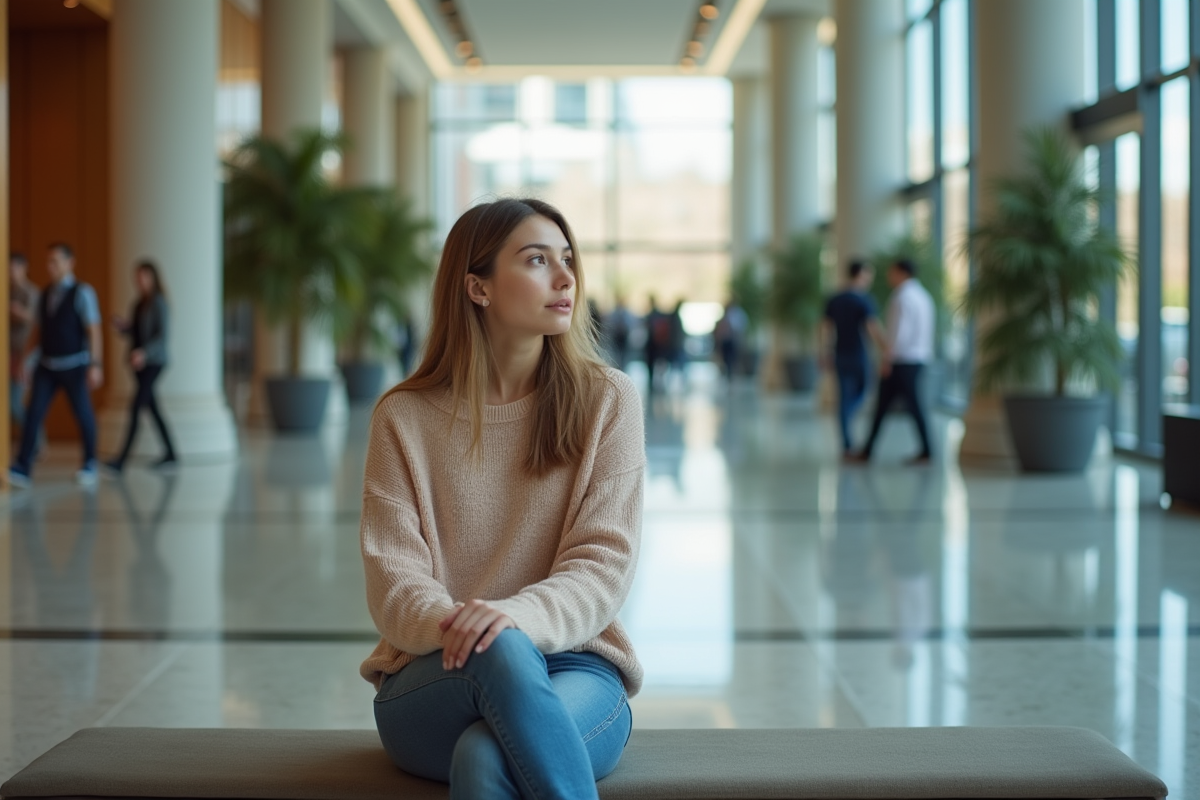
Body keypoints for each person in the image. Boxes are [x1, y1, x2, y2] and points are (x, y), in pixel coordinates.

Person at [361, 198, 644, 799]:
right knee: (501, 651)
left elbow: (603, 568)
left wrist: (512, 618)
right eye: (537, 260)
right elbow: (394, 581)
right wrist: (483, 630)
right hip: (433, 677)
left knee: (485, 757)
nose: (565, 278)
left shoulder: (608, 402)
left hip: (577, 669)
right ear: (477, 287)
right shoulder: (404, 418)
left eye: (567, 259)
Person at [9, 243, 104, 488]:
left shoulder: (83, 293)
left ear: (69, 262)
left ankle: (90, 463)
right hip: (47, 366)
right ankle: (22, 467)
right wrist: (26, 362)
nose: (50, 267)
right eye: (48, 262)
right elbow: (38, 332)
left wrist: (96, 364)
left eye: (55, 261)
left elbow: (93, 330)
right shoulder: (44, 295)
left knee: (83, 415)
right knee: (33, 414)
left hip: (74, 365)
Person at [852, 258, 935, 464]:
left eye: (892, 272)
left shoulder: (902, 297)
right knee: (892, 406)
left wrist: (887, 358)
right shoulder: (923, 296)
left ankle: (924, 451)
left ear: (901, 273)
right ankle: (869, 450)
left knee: (901, 406)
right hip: (918, 358)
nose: (889, 277)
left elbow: (900, 334)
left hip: (902, 361)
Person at [104, 260, 178, 474]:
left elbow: (161, 338)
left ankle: (121, 460)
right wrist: (123, 327)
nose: (140, 281)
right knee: (153, 409)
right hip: (138, 364)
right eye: (137, 277)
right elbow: (135, 332)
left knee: (136, 407)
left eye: (144, 276)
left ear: (153, 278)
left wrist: (144, 353)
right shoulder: (138, 304)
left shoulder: (159, 303)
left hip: (154, 362)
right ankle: (171, 454)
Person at [821, 259, 886, 455]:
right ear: (861, 275)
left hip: (839, 353)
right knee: (862, 391)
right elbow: (872, 328)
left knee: (845, 396)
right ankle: (847, 417)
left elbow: (825, 328)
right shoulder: (863, 300)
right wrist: (887, 348)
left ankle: (846, 441)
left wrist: (824, 351)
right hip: (858, 355)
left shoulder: (835, 299)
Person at [9, 252, 39, 434]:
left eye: (14, 268)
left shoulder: (32, 293)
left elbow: (38, 322)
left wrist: (19, 313)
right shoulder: (7, 292)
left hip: (26, 354)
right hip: (9, 354)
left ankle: (36, 439)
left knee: (16, 402)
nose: (10, 272)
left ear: (23, 268)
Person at [713, 300, 748, 381]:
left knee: (732, 360)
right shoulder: (726, 315)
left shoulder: (739, 314)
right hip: (726, 341)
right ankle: (728, 375)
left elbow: (741, 328)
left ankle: (731, 376)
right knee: (726, 360)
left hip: (733, 340)